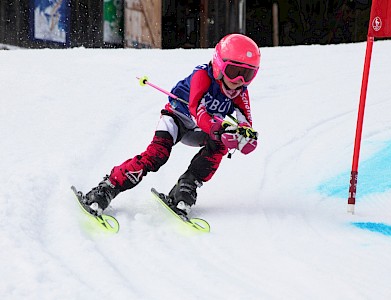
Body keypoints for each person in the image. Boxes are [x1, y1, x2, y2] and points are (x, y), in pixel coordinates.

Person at [81, 33, 261, 217]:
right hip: (177, 118)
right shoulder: (202, 76)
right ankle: (108, 187)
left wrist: (244, 139)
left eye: (247, 75)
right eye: (233, 71)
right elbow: (196, 110)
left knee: (221, 144)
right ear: (218, 65)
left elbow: (246, 126)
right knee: (157, 155)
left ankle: (187, 185)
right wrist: (219, 129)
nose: (239, 81)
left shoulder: (240, 93)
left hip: (202, 130)